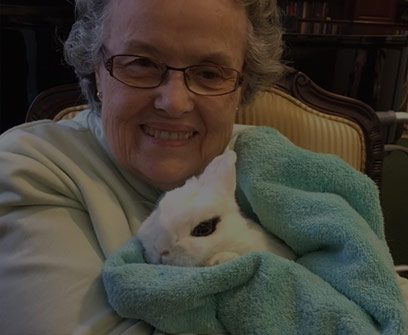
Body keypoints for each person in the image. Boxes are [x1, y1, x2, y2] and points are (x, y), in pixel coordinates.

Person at [0, 0, 406, 334]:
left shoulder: (265, 164)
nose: (174, 103)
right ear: (97, 72)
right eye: (141, 62)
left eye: (210, 73)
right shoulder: (28, 169)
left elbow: (374, 289)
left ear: (241, 88)